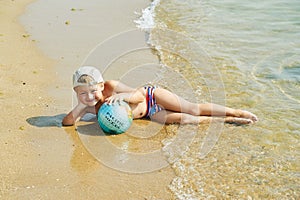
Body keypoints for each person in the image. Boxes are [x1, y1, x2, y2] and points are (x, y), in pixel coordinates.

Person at [62, 66, 258, 126]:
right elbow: (67, 122)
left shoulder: (111, 87)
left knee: (192, 108)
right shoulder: (88, 105)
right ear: (77, 93)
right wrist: (80, 107)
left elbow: (138, 96)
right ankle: (228, 120)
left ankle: (236, 111)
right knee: (185, 120)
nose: (90, 96)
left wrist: (123, 97)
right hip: (149, 114)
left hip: (151, 97)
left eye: (93, 91)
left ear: (102, 85)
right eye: (83, 94)